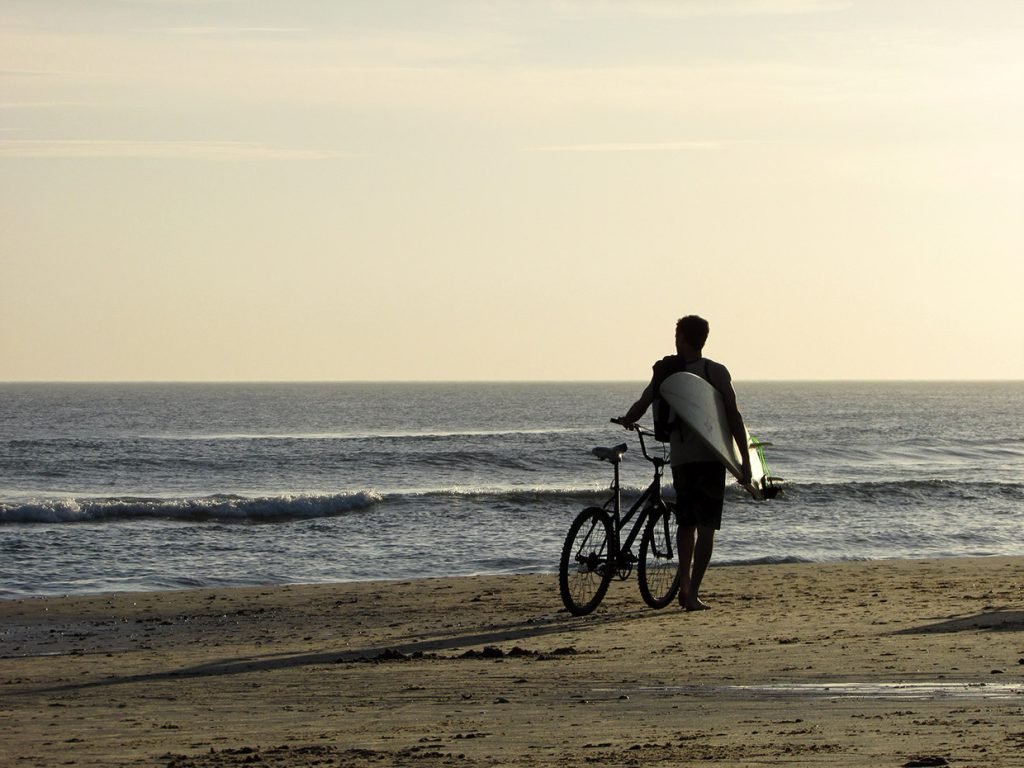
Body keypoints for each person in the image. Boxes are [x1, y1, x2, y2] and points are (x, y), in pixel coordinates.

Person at [613, 315, 751, 611]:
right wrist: (744, 462)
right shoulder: (716, 372)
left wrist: (628, 419)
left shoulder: (667, 373)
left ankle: (684, 584)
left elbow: (644, 401)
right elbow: (733, 417)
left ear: (681, 339)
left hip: (682, 459)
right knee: (706, 528)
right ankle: (692, 593)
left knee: (686, 523)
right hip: (711, 458)